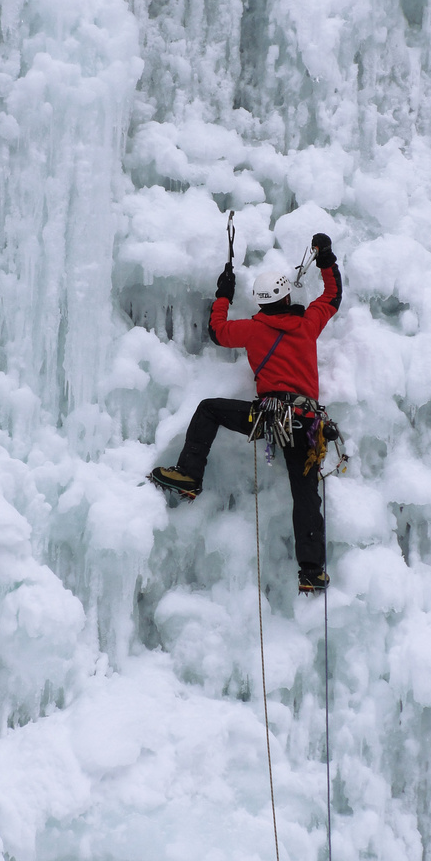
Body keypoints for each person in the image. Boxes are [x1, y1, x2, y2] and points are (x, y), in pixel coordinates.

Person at [150, 233, 342, 593]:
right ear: (287, 297)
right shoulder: (307, 324)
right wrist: (327, 259)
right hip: (306, 423)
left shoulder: (254, 329)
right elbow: (333, 296)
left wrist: (223, 293)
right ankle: (312, 571)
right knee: (305, 495)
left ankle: (190, 475)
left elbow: (216, 332)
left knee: (209, 410)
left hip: (270, 418)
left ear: (261, 303)